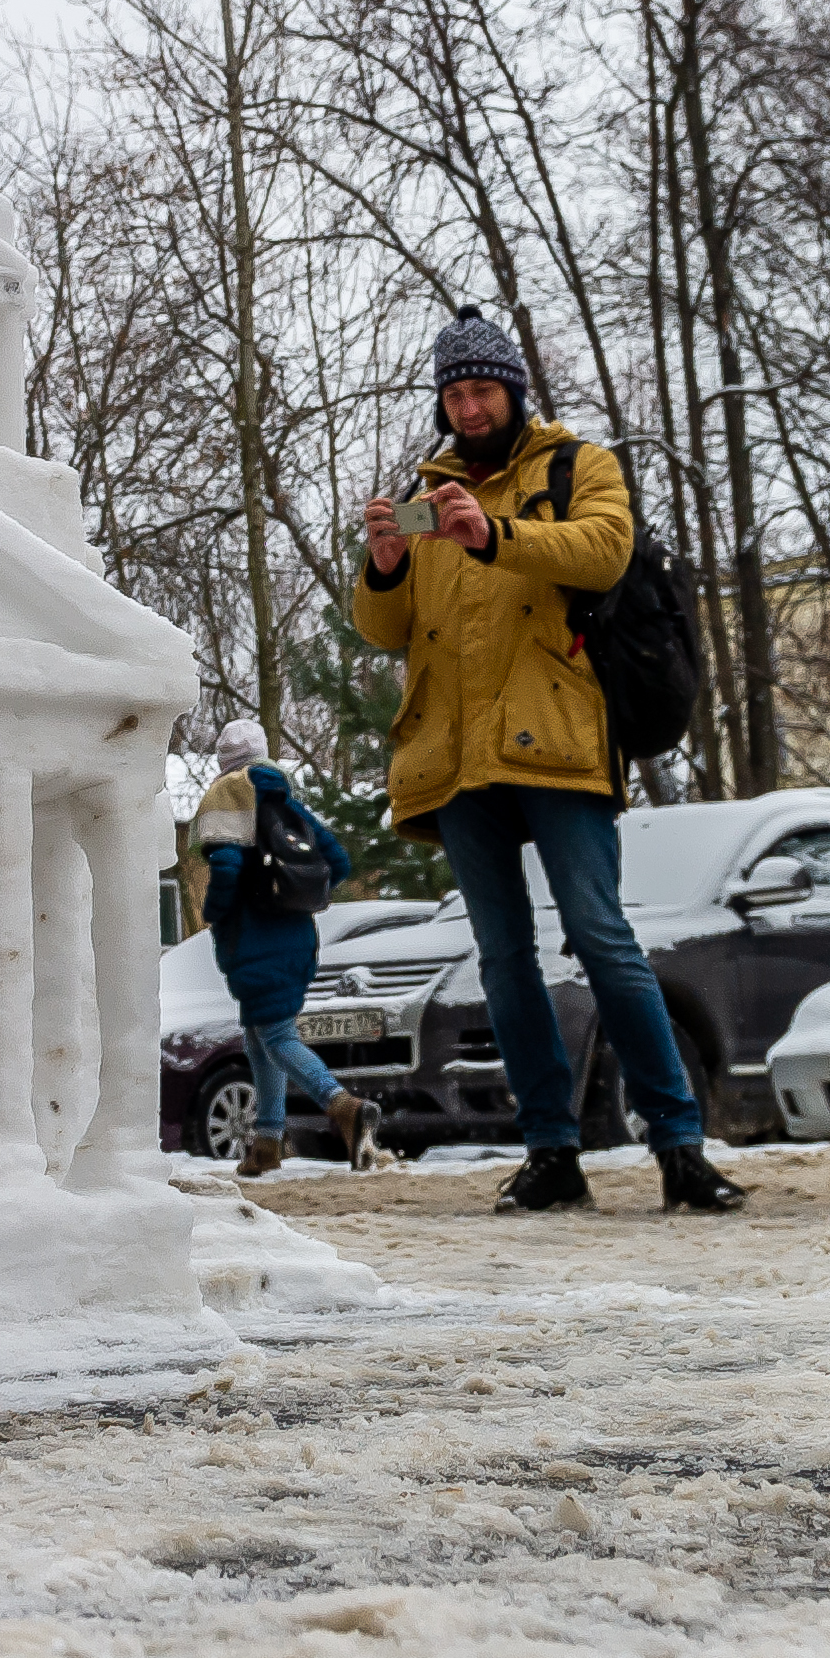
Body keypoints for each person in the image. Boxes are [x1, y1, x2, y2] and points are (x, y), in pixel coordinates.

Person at [354, 308, 745, 1215]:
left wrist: (494, 536)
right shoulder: (425, 486)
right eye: (454, 393)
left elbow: (606, 553)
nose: (469, 406)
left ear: (514, 392)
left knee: (603, 939)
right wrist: (382, 565)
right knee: (502, 957)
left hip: (561, 740)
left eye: (482, 389)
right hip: (457, 760)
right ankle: (550, 1151)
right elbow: (386, 628)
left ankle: (680, 1144)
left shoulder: (578, 466)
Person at [193, 719, 374, 1179]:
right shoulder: (285, 800)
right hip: (297, 937)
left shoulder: (228, 794)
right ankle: (268, 1141)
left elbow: (228, 866)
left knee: (276, 1037)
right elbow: (339, 861)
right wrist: (295, 895)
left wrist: (215, 912)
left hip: (255, 938)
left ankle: (342, 1105)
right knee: (259, 1037)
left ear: (222, 761)